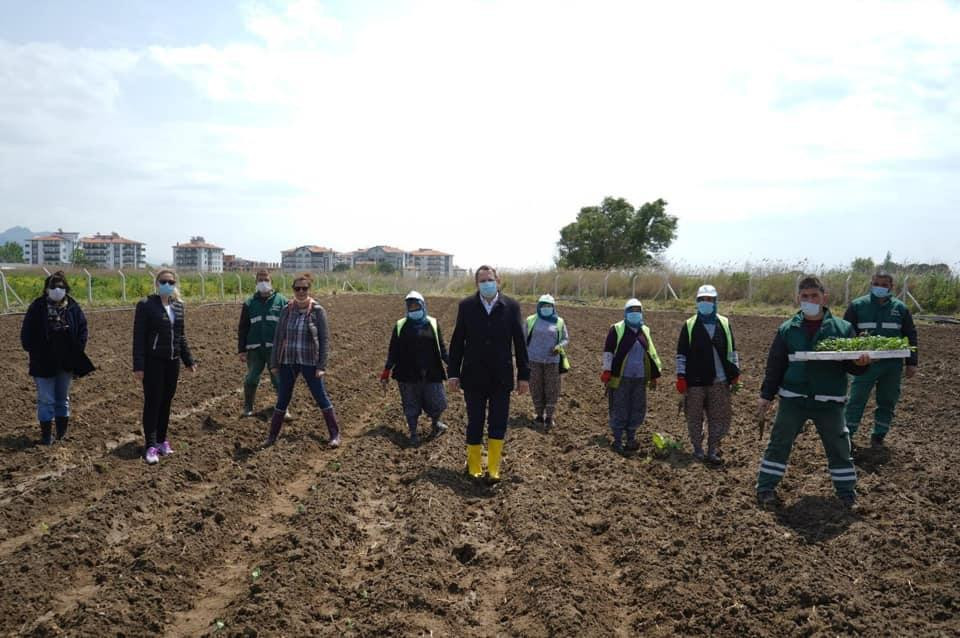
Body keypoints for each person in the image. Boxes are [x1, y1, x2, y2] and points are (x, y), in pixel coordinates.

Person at [756, 276, 870, 509]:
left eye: (814, 296)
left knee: (839, 446)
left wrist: (861, 364)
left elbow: (851, 366)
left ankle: (847, 493)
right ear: (798, 298)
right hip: (793, 398)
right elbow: (775, 365)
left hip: (829, 400)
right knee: (779, 443)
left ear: (824, 297)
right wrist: (766, 396)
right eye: (805, 296)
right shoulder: (788, 329)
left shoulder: (842, 329)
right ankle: (766, 488)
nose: (809, 300)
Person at [447, 265, 530, 482]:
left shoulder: (511, 306)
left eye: (490, 279)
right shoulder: (466, 306)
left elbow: (520, 343)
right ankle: (474, 466)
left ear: (498, 280)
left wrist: (524, 376)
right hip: (473, 375)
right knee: (475, 421)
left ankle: (493, 468)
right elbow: (457, 342)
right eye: (482, 281)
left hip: (500, 377)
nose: (486, 284)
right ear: (477, 284)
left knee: (498, 421)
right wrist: (453, 373)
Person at [843, 271, 919, 450]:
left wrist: (912, 363)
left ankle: (878, 437)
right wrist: (849, 358)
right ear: (871, 283)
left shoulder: (900, 308)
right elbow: (846, 333)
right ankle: (847, 436)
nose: (880, 288)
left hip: (892, 365)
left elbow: (911, 334)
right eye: (877, 284)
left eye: (884, 285)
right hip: (864, 363)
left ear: (891, 287)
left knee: (887, 400)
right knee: (856, 400)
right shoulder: (857, 305)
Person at [20, 271, 95, 445]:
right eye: (53, 286)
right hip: (43, 361)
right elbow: (27, 332)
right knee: (46, 399)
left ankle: (61, 434)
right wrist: (34, 349)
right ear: (46, 289)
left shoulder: (73, 307)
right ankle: (46, 436)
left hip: (66, 360)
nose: (57, 290)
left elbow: (83, 329)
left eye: (61, 286)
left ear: (66, 288)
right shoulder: (37, 307)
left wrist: (77, 351)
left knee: (63, 398)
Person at [267, 273, 340, 448]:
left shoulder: (317, 310)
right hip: (289, 361)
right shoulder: (287, 310)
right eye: (297, 288)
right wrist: (274, 363)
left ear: (309, 289)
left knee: (320, 397)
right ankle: (271, 437)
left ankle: (335, 435)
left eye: (304, 288)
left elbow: (324, 339)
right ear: (293, 290)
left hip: (310, 362)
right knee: (283, 398)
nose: (301, 291)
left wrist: (321, 365)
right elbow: (278, 337)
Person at [133, 269, 197, 464]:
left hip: (172, 361)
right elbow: (139, 338)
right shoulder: (146, 305)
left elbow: (181, 336)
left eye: (171, 281)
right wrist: (139, 365)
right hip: (153, 361)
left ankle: (162, 441)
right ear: (157, 283)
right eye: (163, 281)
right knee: (153, 402)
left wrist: (188, 360)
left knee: (166, 401)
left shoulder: (177, 306)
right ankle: (150, 446)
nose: (167, 284)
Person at [675, 284, 741, 463]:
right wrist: (681, 376)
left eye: (710, 300)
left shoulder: (724, 323)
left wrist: (735, 372)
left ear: (715, 302)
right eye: (702, 300)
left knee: (718, 417)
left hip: (719, 380)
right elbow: (681, 354)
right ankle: (697, 448)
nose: (706, 303)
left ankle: (713, 449)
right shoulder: (689, 325)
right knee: (694, 416)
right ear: (697, 302)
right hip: (695, 381)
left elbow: (732, 351)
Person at [379, 291, 449, 447]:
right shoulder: (400, 325)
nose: (414, 308)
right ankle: (413, 433)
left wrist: (453, 365)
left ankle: (436, 423)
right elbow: (393, 351)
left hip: (431, 372)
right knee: (411, 405)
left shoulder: (433, 323)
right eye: (410, 306)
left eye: (417, 305)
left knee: (438, 402)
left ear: (423, 306)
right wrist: (386, 371)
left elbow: (442, 349)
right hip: (407, 373)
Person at [601, 298, 661, 452]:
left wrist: (653, 374)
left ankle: (631, 437)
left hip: (639, 377)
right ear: (625, 313)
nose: (634, 314)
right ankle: (618, 438)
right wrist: (607, 370)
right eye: (631, 311)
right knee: (619, 406)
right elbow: (608, 351)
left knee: (637, 407)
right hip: (620, 376)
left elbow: (651, 353)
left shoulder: (644, 330)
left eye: (637, 311)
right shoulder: (617, 329)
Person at [237, 269, 288, 417]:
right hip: (255, 349)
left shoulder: (282, 301)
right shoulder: (249, 303)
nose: (263, 283)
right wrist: (241, 350)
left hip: (275, 349)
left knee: (278, 380)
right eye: (260, 280)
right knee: (251, 379)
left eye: (266, 280)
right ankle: (248, 407)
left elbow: (287, 326)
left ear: (271, 282)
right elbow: (243, 328)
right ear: (256, 283)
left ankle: (284, 408)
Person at [524, 293, 570, 431]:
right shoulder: (531, 320)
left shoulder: (559, 321)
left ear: (553, 307)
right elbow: (523, 338)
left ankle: (549, 416)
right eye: (543, 305)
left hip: (552, 360)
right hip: (533, 360)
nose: (546, 308)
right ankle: (539, 415)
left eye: (549, 306)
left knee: (552, 388)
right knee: (536, 386)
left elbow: (565, 338)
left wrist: (560, 346)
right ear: (538, 306)